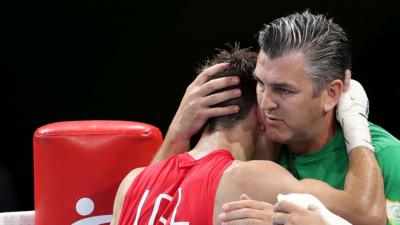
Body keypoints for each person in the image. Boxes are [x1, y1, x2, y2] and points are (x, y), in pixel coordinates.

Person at [154, 11, 399, 225]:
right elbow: (150, 204)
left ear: (331, 94)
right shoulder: (254, 144)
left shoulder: (388, 158)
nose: (266, 103)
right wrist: (177, 133)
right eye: (261, 83)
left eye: (284, 90)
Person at [111, 46, 383, 225]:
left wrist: (176, 134)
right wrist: (354, 121)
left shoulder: (130, 185)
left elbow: (160, 186)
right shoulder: (249, 178)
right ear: (260, 116)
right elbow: (367, 213)